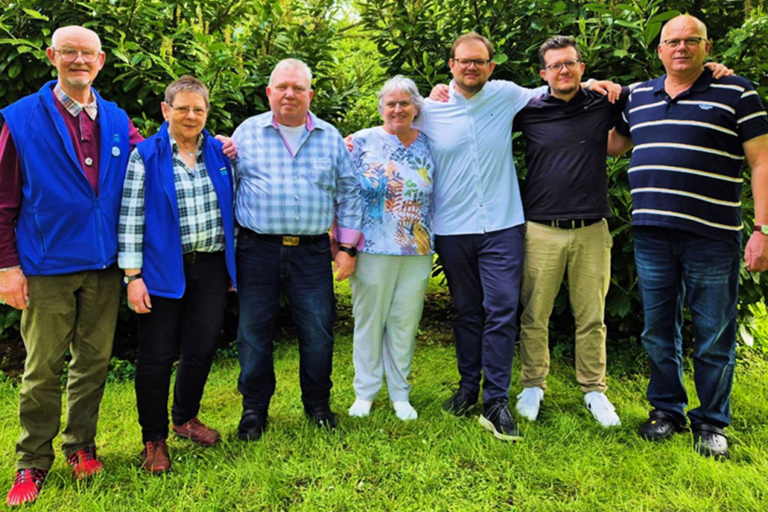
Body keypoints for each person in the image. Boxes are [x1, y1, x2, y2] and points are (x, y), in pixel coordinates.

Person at [608, 15, 768, 458]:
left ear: (706, 46)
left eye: (690, 40)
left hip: (713, 236)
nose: (681, 47)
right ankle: (666, 412)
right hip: (651, 233)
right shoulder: (638, 96)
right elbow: (612, 144)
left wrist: (764, 229)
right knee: (659, 330)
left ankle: (712, 422)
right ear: (658, 49)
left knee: (714, 332)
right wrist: (590, 88)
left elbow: (761, 163)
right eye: (671, 41)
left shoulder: (737, 91)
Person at [0, 26, 142, 506]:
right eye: (69, 53)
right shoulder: (19, 119)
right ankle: (30, 463)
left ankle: (81, 446)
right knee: (41, 368)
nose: (79, 61)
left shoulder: (119, 119)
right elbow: (1, 203)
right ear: (52, 56)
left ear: (101, 61)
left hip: (104, 265)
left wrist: (215, 142)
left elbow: (155, 156)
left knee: (94, 363)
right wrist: (6, 267)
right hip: (46, 266)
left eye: (88, 54)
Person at [232, 59, 363, 440]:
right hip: (257, 250)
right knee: (253, 334)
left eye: (298, 88)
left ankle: (318, 405)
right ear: (269, 92)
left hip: (312, 252)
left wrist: (348, 247)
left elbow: (349, 192)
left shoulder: (330, 137)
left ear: (310, 93)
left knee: (319, 332)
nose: (290, 94)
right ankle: (254, 409)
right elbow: (228, 187)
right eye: (282, 87)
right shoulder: (245, 135)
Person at [118, 76, 237, 473]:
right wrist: (132, 276)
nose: (191, 116)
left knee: (201, 348)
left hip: (211, 267)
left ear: (207, 113)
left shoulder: (220, 152)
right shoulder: (146, 156)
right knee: (155, 357)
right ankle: (153, 440)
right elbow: (131, 218)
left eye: (198, 109)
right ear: (166, 110)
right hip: (160, 270)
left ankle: (185, 418)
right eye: (182, 108)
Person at [512, 36, 628, 427]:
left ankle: (594, 390)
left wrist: (716, 71)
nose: (564, 70)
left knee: (591, 316)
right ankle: (532, 385)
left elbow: (659, 92)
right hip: (540, 228)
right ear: (543, 73)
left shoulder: (604, 103)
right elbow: (473, 111)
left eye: (570, 63)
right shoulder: (526, 109)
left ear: (581, 67)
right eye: (555, 65)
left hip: (592, 228)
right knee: (534, 314)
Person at [346, 76, 435, 421]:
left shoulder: (430, 144)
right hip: (371, 247)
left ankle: (400, 394)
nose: (398, 109)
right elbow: (344, 192)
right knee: (369, 322)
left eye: (405, 103)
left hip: (418, 248)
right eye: (391, 103)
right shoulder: (360, 142)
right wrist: (342, 244)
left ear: (416, 108)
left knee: (404, 322)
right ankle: (364, 392)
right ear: (382, 107)